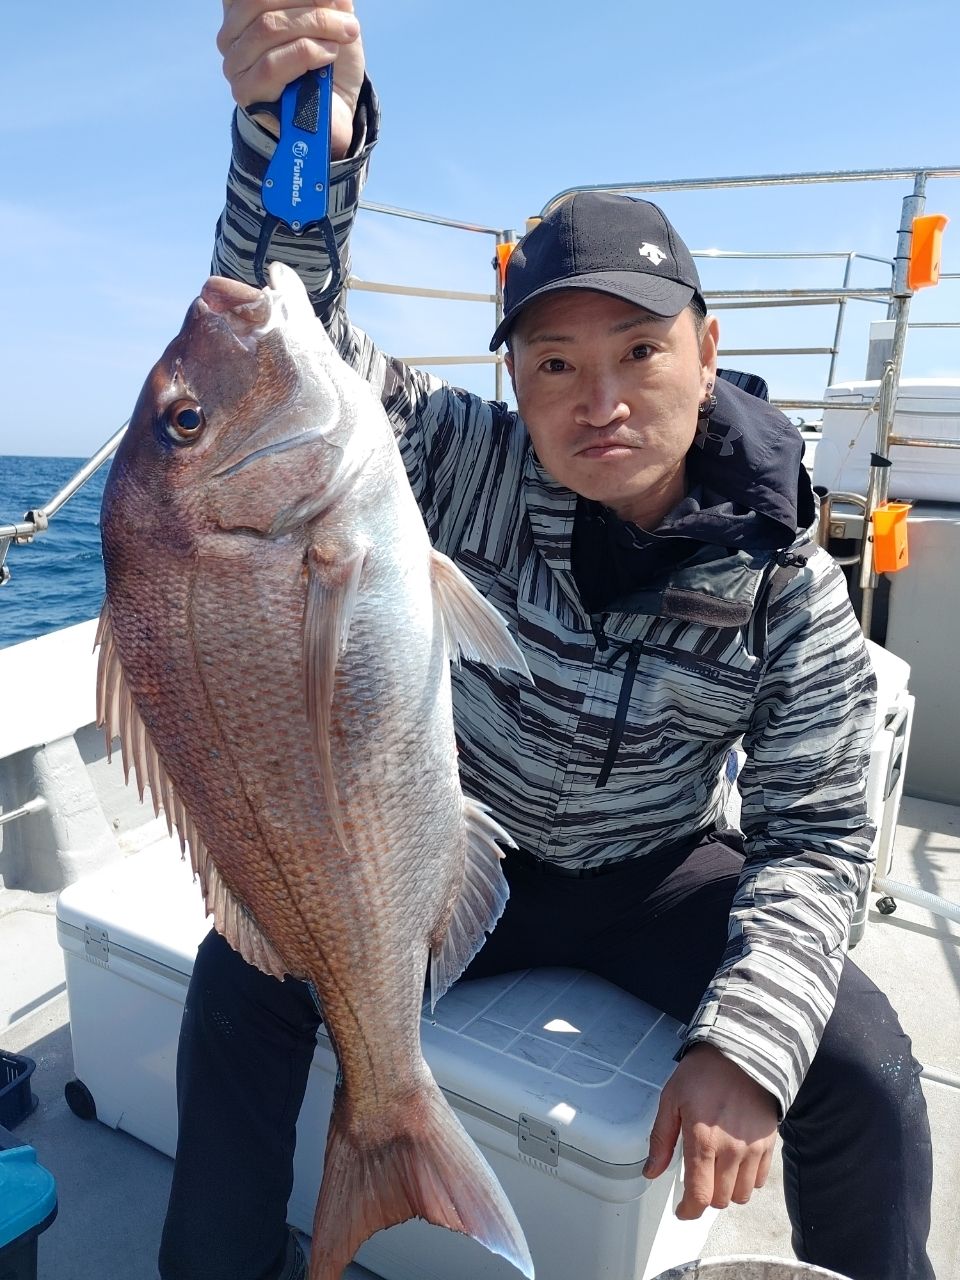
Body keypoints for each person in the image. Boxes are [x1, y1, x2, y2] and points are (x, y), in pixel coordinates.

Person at [159, 6, 933, 1279]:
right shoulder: (455, 463)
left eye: (640, 350)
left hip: (656, 870)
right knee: (239, 977)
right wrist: (295, 134)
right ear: (510, 374)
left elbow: (821, 831)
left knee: (860, 1064)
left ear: (709, 349)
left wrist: (747, 1040)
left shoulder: (787, 572)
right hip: (451, 843)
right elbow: (273, 337)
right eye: (557, 362)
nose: (604, 400)